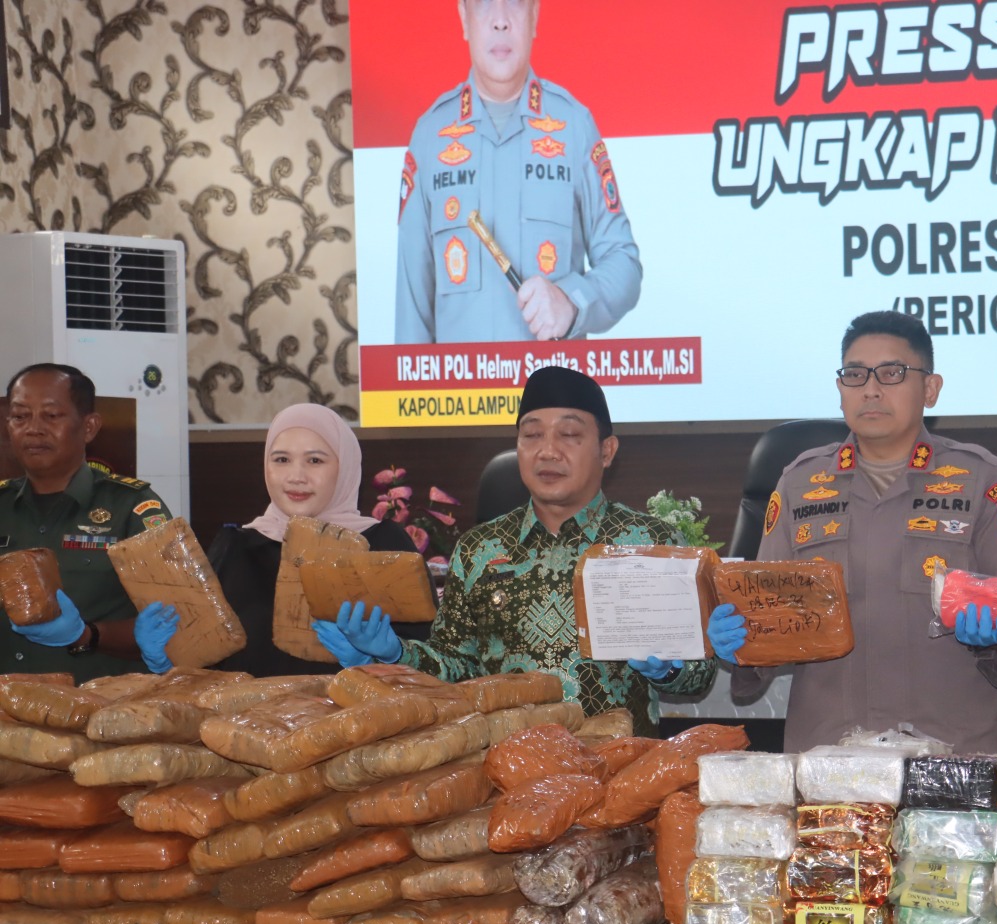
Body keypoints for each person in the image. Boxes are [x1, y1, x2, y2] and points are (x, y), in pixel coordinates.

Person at [708, 311, 997, 754]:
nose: (870, 389)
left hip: (951, 755)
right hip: (828, 757)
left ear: (930, 389)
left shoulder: (982, 480)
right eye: (855, 374)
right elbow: (767, 624)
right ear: (840, 389)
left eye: (891, 373)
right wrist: (741, 641)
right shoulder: (799, 484)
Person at [320, 365, 713, 736]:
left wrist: (668, 670)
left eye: (569, 435)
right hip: (506, 767)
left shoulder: (651, 544)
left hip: (620, 767)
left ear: (607, 451)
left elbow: (701, 675)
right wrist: (395, 654)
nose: (548, 451)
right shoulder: (479, 550)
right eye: (532, 435)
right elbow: (455, 670)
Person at [395, 0, 641, 344]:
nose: (500, 20)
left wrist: (572, 301)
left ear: (534, 16)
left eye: (514, 2)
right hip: (461, 382)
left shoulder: (574, 126)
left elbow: (624, 264)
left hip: (553, 379)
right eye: (484, 4)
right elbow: (411, 315)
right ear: (464, 18)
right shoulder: (429, 137)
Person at [133, 404, 427, 677]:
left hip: (354, 716)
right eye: (282, 460)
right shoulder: (237, 546)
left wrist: (378, 660)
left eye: (315, 460)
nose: (296, 476)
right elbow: (210, 667)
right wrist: (167, 662)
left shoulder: (383, 544)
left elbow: (435, 666)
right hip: (247, 716)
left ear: (345, 467)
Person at [0, 363, 175, 682]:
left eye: (51, 415)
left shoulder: (132, 507)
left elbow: (177, 622)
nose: (33, 429)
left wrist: (87, 634)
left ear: (89, 426)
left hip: (99, 702)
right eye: (20, 416)